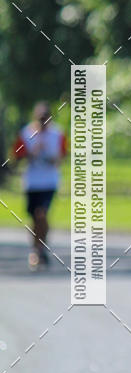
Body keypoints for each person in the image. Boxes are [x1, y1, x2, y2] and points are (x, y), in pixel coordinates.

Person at [12, 102, 67, 270]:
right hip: (32, 182)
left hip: (49, 181)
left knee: (41, 214)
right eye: (40, 118)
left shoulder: (57, 134)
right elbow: (16, 156)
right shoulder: (26, 133)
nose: (43, 122)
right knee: (34, 218)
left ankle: (39, 249)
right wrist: (30, 153)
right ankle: (38, 248)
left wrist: (55, 159)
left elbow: (64, 155)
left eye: (46, 118)